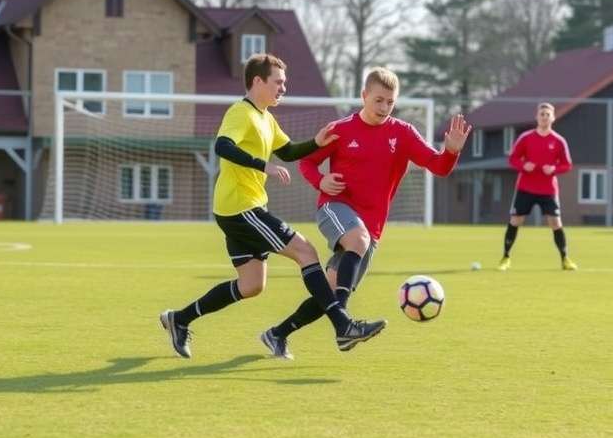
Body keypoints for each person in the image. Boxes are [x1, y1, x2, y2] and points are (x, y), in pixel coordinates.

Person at [160, 53, 386, 358]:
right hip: (241, 208)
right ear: (258, 81)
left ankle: (179, 319)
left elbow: (290, 151)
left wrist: (317, 143)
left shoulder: (266, 117)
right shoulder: (241, 113)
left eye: (285, 83)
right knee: (305, 251)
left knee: (251, 285)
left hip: (236, 209)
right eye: (278, 82)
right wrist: (262, 166)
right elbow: (222, 146)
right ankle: (343, 324)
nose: (283, 88)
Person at [260, 67, 471, 359]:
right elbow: (307, 163)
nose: (384, 107)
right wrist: (320, 180)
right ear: (364, 96)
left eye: (390, 102)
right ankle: (346, 325)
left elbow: (439, 167)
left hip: (371, 228)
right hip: (334, 208)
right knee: (357, 240)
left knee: (331, 292)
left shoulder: (403, 133)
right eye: (379, 100)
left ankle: (277, 334)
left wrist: (451, 151)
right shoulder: (340, 130)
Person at [498, 102, 578, 271]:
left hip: (548, 190)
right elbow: (512, 159)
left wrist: (554, 169)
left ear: (553, 118)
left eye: (547, 114)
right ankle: (505, 257)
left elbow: (567, 165)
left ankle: (565, 259)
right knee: (516, 220)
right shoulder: (526, 138)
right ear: (537, 117)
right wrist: (523, 165)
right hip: (525, 187)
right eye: (541, 114)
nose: (544, 117)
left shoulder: (558, 141)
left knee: (555, 222)